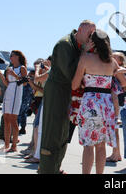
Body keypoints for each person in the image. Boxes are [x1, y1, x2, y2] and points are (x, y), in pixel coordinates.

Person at [39, 20, 96, 174]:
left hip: (65, 93)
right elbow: (72, 73)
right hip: (58, 92)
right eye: (89, 34)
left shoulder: (76, 45)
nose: (91, 37)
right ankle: (47, 170)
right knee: (53, 133)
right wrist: (85, 54)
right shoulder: (65, 45)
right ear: (80, 30)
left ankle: (55, 168)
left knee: (63, 134)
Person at [72, 29, 126, 174]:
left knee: (89, 145)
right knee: (101, 145)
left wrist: (85, 52)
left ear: (92, 42)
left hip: (90, 103)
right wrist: (113, 73)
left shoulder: (85, 58)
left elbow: (74, 85)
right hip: (106, 104)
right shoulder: (112, 61)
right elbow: (125, 83)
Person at [2, 50, 28, 152]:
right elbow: (7, 83)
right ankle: (6, 144)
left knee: (13, 119)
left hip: (16, 93)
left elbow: (25, 83)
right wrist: (1, 76)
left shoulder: (22, 68)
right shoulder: (10, 68)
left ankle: (14, 145)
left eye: (12, 56)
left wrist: (15, 75)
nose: (10, 58)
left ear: (17, 57)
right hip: (9, 91)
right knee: (6, 118)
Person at [106, 51, 126, 163]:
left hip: (115, 97)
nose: (112, 57)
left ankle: (116, 153)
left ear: (120, 61)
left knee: (114, 130)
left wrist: (116, 71)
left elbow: (124, 82)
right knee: (114, 131)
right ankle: (116, 153)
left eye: (115, 56)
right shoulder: (113, 67)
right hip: (113, 98)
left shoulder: (119, 68)